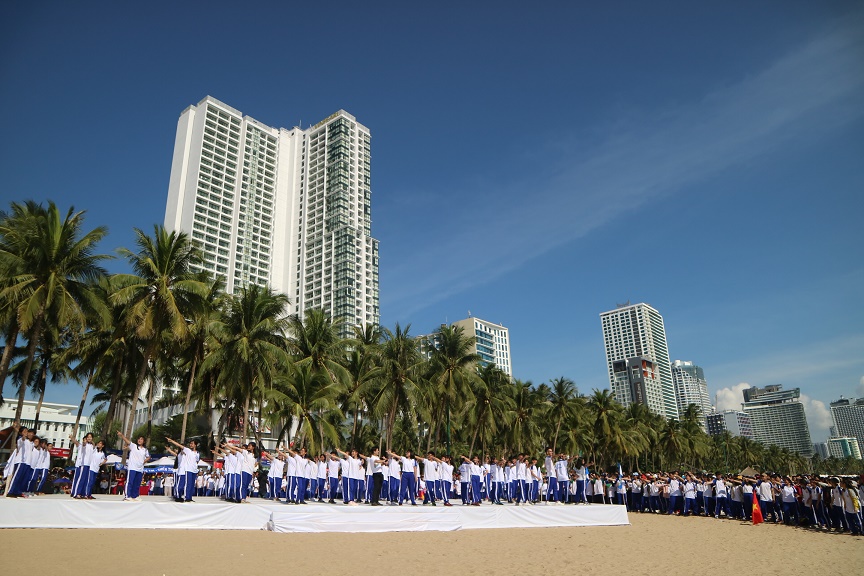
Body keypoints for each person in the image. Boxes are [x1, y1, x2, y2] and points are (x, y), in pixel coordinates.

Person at [117, 431, 150, 501]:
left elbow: (149, 457)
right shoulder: (134, 446)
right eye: (139, 439)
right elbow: (127, 441)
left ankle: (135, 495)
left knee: (137, 483)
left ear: (143, 441)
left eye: (141, 439)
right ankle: (127, 496)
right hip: (132, 467)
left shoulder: (145, 450)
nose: (139, 440)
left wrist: (143, 462)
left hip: (140, 469)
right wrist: (122, 435)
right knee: (130, 482)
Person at [166, 437, 200, 502]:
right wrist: (171, 441)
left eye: (192, 444)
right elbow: (179, 445)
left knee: (192, 485)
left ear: (195, 445)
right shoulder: (187, 450)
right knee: (188, 484)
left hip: (194, 470)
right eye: (190, 444)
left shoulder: (197, 453)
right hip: (188, 470)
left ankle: (190, 497)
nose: (191, 445)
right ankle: (186, 498)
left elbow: (197, 461)